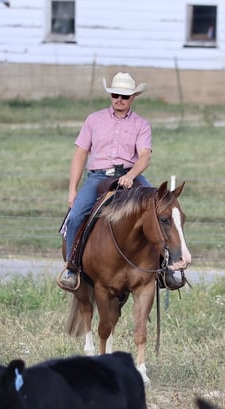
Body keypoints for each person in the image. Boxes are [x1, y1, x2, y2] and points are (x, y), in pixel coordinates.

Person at [59, 72, 154, 290]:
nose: (119, 99)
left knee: (159, 208)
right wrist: (72, 189)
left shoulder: (141, 124)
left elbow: (144, 156)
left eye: (124, 96)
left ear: (133, 97)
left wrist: (130, 176)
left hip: (130, 174)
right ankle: (72, 268)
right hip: (98, 176)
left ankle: (164, 267)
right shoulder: (94, 120)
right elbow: (80, 154)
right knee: (76, 215)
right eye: (115, 95)